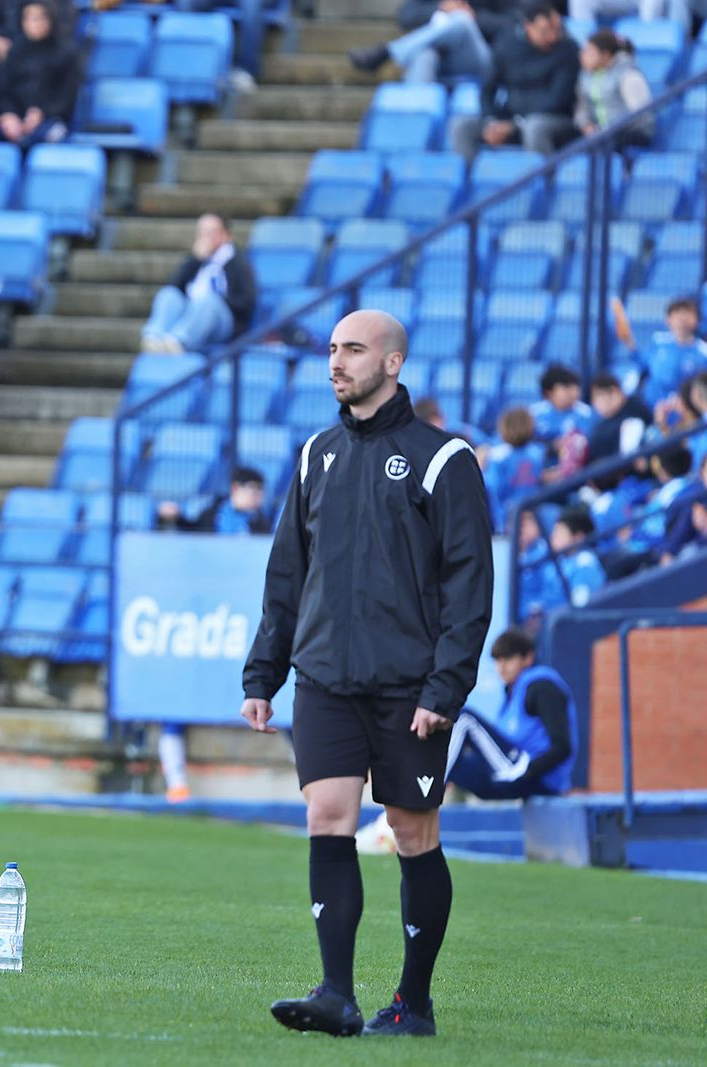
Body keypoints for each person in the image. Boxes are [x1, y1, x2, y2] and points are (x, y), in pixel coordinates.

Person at [241, 309, 494, 1039]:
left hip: (409, 688)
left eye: (352, 349)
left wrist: (445, 688)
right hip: (324, 677)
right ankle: (336, 994)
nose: (336, 362)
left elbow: (470, 585)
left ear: (392, 362)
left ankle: (413, 1003)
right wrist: (264, 673)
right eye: (330, 349)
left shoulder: (444, 459)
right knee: (327, 817)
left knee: (414, 831)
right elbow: (286, 573)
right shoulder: (315, 454)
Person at [445, 629, 576, 800]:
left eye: (508, 659)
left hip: (535, 779)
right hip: (515, 774)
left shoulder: (541, 687)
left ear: (528, 658)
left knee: (464, 719)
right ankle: (422, 786)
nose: (501, 667)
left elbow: (562, 747)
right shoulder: (511, 695)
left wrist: (526, 770)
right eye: (498, 660)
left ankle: (430, 788)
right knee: (451, 764)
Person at [446, 4, 579, 161]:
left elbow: (558, 100)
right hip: (510, 118)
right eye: (545, 31)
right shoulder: (507, 44)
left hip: (554, 120)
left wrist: (515, 124)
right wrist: (492, 121)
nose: (552, 36)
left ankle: (543, 182)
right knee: (461, 126)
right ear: (528, 27)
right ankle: (467, 180)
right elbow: (487, 89)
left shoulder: (568, 50)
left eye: (557, 30)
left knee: (534, 127)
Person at [142, 213, 257, 355]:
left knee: (208, 301)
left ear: (225, 235)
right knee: (168, 294)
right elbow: (174, 285)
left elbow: (246, 301)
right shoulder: (196, 260)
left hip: (220, 321)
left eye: (211, 232)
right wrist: (195, 260)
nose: (205, 236)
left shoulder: (238, 262)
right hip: (190, 312)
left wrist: (216, 299)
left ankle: (178, 342)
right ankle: (154, 338)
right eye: (201, 231)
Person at [350, 0, 513, 84]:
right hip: (438, 55)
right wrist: (440, 7)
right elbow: (405, 16)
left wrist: (475, 17)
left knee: (461, 20)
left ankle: (389, 51)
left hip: (481, 58)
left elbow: (514, 24)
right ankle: (414, 124)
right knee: (424, 55)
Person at [0, 0, 83, 147]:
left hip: (51, 118)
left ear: (51, 19)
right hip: (16, 117)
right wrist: (9, 114)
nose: (35, 23)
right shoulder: (15, 51)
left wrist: (41, 112)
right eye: (29, 17)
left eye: (40, 17)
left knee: (47, 136)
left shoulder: (67, 53)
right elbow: (3, 89)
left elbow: (67, 95)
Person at [574, 30, 653, 150]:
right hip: (600, 131)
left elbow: (640, 115)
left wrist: (606, 130)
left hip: (631, 132)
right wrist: (586, 125)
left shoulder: (628, 75)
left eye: (589, 52)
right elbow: (582, 106)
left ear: (605, 56)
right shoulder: (585, 75)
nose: (582, 56)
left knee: (602, 142)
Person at [633, 297, 707, 410]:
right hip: (648, 407)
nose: (683, 318)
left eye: (688, 313)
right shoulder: (657, 341)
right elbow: (642, 365)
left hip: (685, 412)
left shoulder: (703, 351)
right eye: (678, 313)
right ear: (668, 319)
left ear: (697, 320)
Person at [479, 405, 542, 532]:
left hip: (506, 517)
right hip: (529, 514)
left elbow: (492, 489)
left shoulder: (496, 456)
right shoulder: (538, 452)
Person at [158, 466, 271, 534]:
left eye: (261, 491)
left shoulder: (260, 522)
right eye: (253, 490)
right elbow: (195, 531)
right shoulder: (213, 511)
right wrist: (176, 518)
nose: (258, 496)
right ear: (236, 488)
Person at [529, 363, 594, 473]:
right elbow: (518, 443)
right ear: (549, 392)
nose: (574, 392)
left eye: (575, 386)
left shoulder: (587, 414)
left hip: (577, 475)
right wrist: (551, 447)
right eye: (566, 387)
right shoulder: (533, 414)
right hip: (539, 473)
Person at [586, 372, 651, 470]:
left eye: (609, 393)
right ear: (593, 402)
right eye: (599, 396)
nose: (606, 400)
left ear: (620, 392)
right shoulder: (597, 431)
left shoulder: (635, 406)